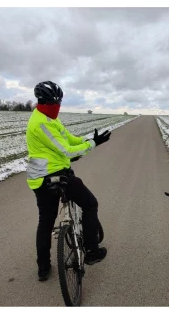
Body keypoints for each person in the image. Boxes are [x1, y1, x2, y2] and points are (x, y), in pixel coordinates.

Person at [26, 80, 111, 281]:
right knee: (90, 204)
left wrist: (89, 139)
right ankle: (91, 252)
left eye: (59, 103)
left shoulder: (49, 118)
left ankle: (43, 269)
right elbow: (65, 150)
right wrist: (93, 145)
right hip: (49, 178)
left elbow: (69, 139)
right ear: (41, 102)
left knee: (45, 221)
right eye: (53, 103)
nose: (56, 107)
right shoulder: (39, 123)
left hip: (43, 177)